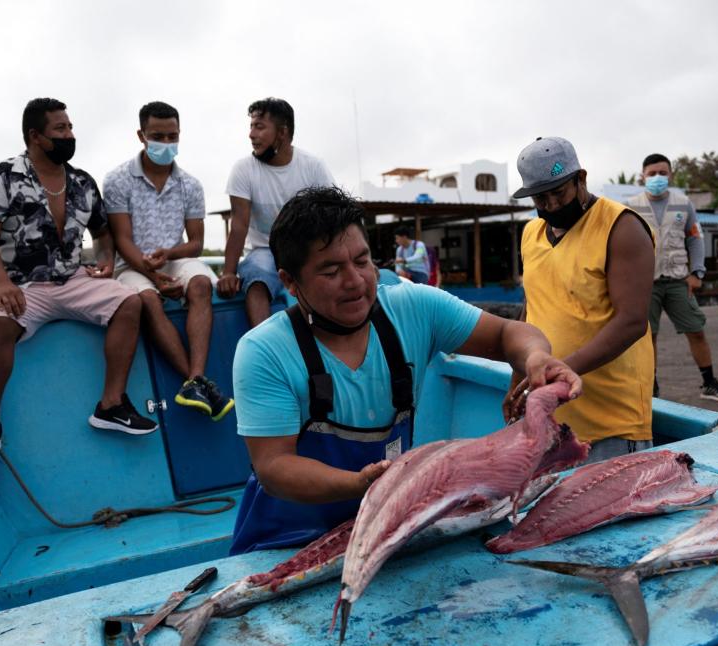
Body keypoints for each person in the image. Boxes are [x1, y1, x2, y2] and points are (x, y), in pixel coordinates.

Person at [229, 186, 582, 554]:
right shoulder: (263, 351)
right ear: (289, 281)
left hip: (387, 529)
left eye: (362, 261)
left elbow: (509, 332)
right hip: (284, 543)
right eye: (331, 270)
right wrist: (359, 483)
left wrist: (535, 356)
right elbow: (274, 466)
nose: (355, 281)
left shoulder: (414, 308)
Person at [0, 98, 155, 459]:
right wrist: (1, 284)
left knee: (129, 301)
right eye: (60, 129)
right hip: (21, 283)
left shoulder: (81, 182)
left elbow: (103, 234)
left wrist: (106, 262)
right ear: (36, 136)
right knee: (0, 325)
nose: (69, 135)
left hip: (73, 278)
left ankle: (111, 405)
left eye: (70, 127)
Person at [506, 136, 654, 465]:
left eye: (559, 192)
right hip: (550, 417)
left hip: (612, 421)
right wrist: (518, 378)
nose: (552, 205)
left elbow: (632, 322)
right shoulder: (531, 233)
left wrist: (561, 369)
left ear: (581, 178)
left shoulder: (620, 226)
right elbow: (531, 311)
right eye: (541, 198)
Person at [104, 101, 234, 420]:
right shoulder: (117, 179)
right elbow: (121, 239)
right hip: (130, 264)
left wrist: (169, 257)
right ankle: (195, 380)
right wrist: (151, 271)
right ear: (141, 135)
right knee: (147, 298)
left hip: (173, 257)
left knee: (202, 283)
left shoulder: (190, 185)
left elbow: (197, 243)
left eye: (172, 136)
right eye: (157, 136)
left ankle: (195, 379)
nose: (166, 143)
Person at [216, 98, 335, 327]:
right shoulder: (243, 169)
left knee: (327, 277)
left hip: (306, 246)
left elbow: (335, 217)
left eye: (259, 127)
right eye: (251, 126)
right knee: (257, 279)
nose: (251, 134)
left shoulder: (313, 166)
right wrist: (229, 273)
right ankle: (264, 348)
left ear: (282, 132)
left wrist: (363, 261)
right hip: (264, 250)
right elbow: (239, 224)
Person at [627, 154, 718, 402]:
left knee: (696, 330)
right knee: (646, 337)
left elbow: (695, 238)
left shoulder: (684, 204)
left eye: (662, 173)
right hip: (644, 282)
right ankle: (650, 387)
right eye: (652, 174)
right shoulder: (630, 206)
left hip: (677, 279)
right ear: (642, 176)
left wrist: (697, 273)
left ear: (671, 175)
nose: (657, 178)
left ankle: (709, 382)